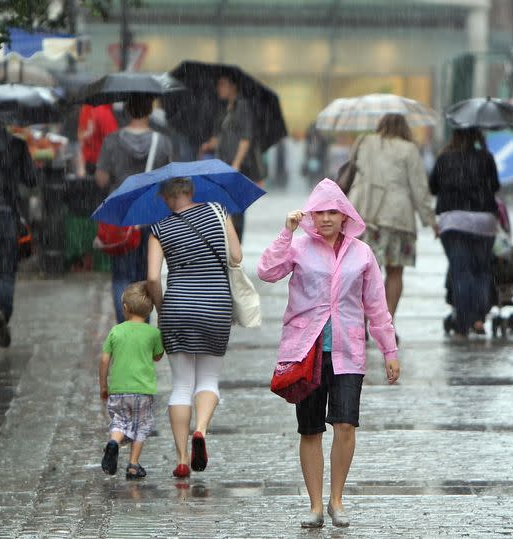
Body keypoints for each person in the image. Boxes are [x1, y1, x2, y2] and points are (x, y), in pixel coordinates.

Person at [257, 179, 400, 529]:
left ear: (344, 215)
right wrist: (285, 233)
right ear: (310, 215)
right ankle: (315, 505)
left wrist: (389, 349)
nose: (325, 218)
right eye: (319, 211)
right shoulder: (299, 247)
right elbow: (266, 271)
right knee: (310, 430)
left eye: (332, 211)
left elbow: (376, 306)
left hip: (348, 352)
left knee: (346, 425)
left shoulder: (363, 254)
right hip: (306, 352)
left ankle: (337, 499)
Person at [146, 177, 243, 479]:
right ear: (191, 190)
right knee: (209, 380)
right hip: (216, 306)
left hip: (177, 308)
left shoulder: (159, 228)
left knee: (181, 386)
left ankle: (182, 459)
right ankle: (200, 430)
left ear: (166, 196)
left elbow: (152, 278)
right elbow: (236, 257)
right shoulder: (219, 211)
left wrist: (162, 311)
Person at [347, 113, 436, 330]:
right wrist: (431, 220)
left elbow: (352, 172)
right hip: (398, 218)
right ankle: (386, 324)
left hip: (367, 214)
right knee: (395, 273)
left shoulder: (364, 142)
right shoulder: (409, 149)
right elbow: (419, 189)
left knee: (366, 272)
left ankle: (361, 320)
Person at [96, 95, 174, 324]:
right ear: (149, 111)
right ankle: (142, 326)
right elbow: (171, 182)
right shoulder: (163, 142)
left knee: (121, 275)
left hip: (122, 217)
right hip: (152, 217)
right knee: (146, 275)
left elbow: (101, 179)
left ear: (127, 111)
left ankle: (126, 326)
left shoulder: (111, 141)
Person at [429, 127, 500, 337]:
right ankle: (478, 318)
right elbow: (495, 186)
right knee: (481, 270)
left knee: (462, 271)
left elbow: (433, 187)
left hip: (454, 221)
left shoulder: (445, 159)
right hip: (483, 222)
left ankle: (462, 321)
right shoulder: (486, 158)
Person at [0, 114, 38, 349]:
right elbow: (31, 180)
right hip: (7, 215)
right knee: (5, 271)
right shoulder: (17, 145)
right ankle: (1, 311)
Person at [99, 281, 164, 479]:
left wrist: (103, 385)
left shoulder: (116, 331)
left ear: (125, 308)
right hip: (143, 390)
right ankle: (133, 465)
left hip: (118, 390)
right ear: (149, 310)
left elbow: (104, 360)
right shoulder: (153, 333)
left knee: (120, 422)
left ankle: (113, 443)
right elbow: (157, 356)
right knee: (141, 426)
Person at [199, 74, 264, 241]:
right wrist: (208, 145)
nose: (219, 88)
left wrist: (236, 163)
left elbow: (245, 138)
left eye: (223, 84)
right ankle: (228, 242)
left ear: (233, 87)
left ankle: (236, 245)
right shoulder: (226, 109)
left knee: (235, 206)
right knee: (225, 205)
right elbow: (223, 137)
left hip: (235, 166)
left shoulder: (242, 106)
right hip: (223, 163)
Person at [77, 104, 118, 177]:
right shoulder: (103, 111)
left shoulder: (86, 108)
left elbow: (80, 137)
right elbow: (114, 140)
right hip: (101, 164)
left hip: (90, 163)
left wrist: (81, 166)